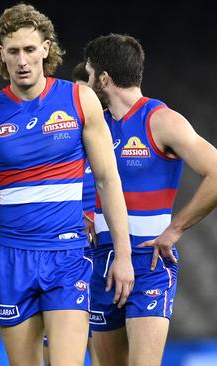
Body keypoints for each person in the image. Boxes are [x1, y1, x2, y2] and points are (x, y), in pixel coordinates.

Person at [0, 5, 134, 366]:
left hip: (67, 256)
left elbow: (107, 181)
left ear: (46, 49)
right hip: (11, 259)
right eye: (14, 51)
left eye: (30, 49)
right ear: (0, 53)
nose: (22, 60)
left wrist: (124, 255)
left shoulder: (79, 101)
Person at [84, 33, 217, 366]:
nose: (83, 85)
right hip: (101, 258)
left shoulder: (161, 120)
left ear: (103, 78)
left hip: (150, 261)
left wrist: (175, 230)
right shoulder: (97, 126)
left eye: (87, 75)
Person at [42, 60, 101, 366]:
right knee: (58, 352)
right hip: (65, 255)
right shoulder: (59, 141)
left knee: (105, 349)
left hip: (105, 256)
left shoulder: (112, 142)